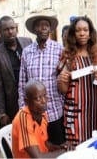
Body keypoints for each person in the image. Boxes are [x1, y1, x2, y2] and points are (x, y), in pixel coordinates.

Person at [57, 16, 97, 146]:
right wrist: (62, 79)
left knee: (96, 147)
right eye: (78, 30)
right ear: (73, 34)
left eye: (85, 30)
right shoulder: (67, 55)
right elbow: (62, 89)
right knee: (77, 150)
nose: (82, 33)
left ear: (90, 33)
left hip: (96, 111)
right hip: (76, 113)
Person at [19, 14, 65, 145]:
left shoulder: (59, 49)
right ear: (34, 29)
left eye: (46, 25)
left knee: (57, 150)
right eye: (39, 25)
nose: (43, 28)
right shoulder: (27, 52)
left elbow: (64, 81)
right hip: (34, 115)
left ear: (50, 29)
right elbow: (22, 83)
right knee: (38, 151)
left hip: (55, 112)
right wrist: (23, 108)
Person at [0, 16, 32, 129]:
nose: (10, 32)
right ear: (0, 32)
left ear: (16, 28)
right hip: (12, 104)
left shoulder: (27, 42)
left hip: (30, 99)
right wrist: (2, 113)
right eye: (6, 29)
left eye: (12, 28)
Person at [12, 79, 71, 158]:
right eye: (38, 99)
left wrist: (61, 148)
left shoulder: (42, 114)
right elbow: (38, 157)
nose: (44, 101)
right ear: (27, 101)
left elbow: (44, 143)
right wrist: (63, 151)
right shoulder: (23, 119)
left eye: (45, 96)